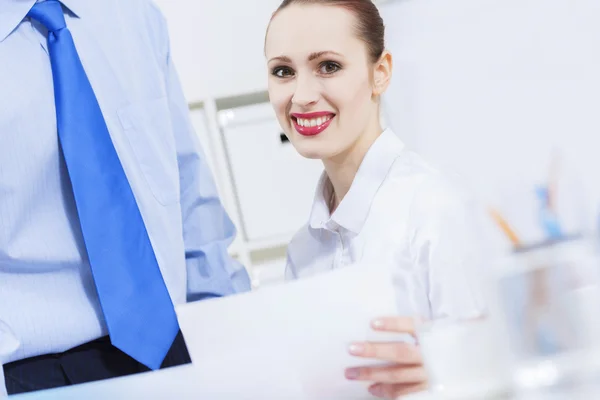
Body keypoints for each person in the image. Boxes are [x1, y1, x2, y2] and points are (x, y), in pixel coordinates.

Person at [0, 0, 249, 395]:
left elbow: (187, 191)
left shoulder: (133, 15)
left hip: (181, 348)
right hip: (32, 374)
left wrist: (232, 328)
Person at [265, 0, 489, 398]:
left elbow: (498, 369)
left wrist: (447, 373)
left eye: (328, 66)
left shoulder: (434, 207)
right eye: (283, 71)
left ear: (380, 73)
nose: (300, 96)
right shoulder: (303, 249)